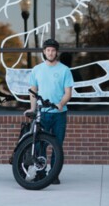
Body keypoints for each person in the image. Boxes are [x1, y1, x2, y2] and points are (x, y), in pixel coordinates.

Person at [25, 38, 74, 185]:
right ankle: (41, 173)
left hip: (59, 114)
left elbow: (68, 93)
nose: (50, 53)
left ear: (56, 52)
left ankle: (54, 174)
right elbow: (33, 91)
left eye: (53, 50)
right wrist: (32, 108)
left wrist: (60, 104)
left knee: (57, 145)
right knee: (40, 145)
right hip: (42, 114)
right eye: (48, 50)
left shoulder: (64, 70)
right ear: (44, 52)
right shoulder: (37, 70)